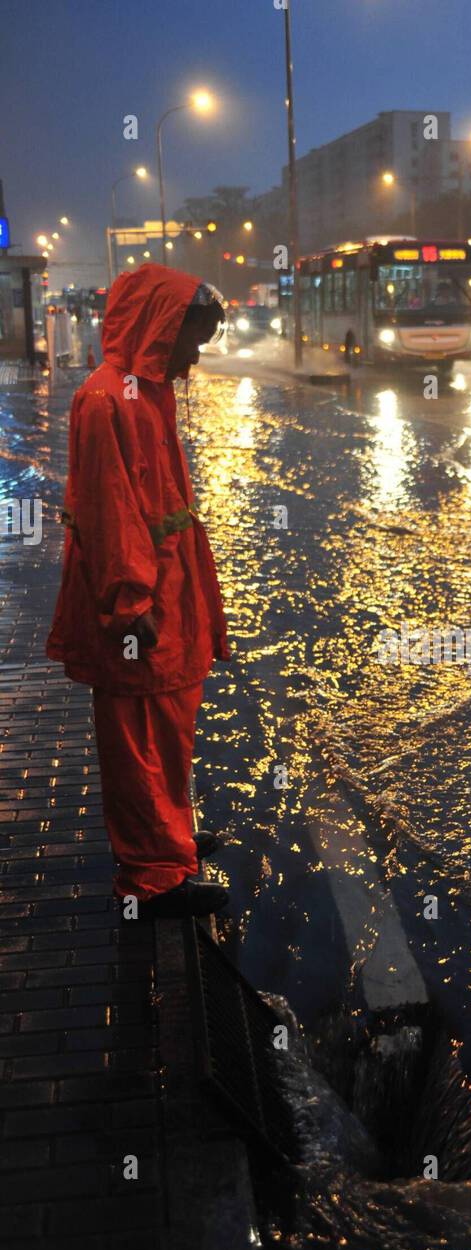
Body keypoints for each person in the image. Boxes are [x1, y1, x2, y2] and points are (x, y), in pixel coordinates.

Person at [47, 263, 230, 919]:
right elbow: (110, 511)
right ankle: (150, 877)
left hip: (167, 586)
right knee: (138, 740)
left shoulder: (145, 392)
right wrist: (132, 604)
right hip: (142, 597)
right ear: (160, 327)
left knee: (169, 729)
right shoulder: (106, 400)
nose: (196, 353)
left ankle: (169, 841)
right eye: (193, 336)